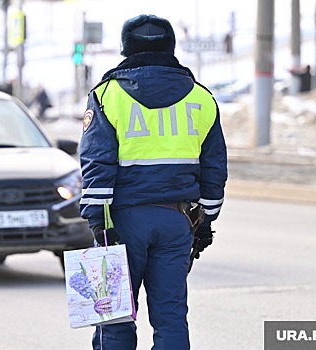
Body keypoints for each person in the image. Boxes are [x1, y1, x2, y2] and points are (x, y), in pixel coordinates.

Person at [78, 14, 228, 349]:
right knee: (171, 316)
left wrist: (99, 223)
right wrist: (205, 222)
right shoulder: (201, 98)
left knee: (113, 315)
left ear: (125, 49)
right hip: (177, 221)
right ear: (171, 46)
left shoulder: (106, 95)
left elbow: (96, 164)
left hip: (122, 222)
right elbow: (214, 167)